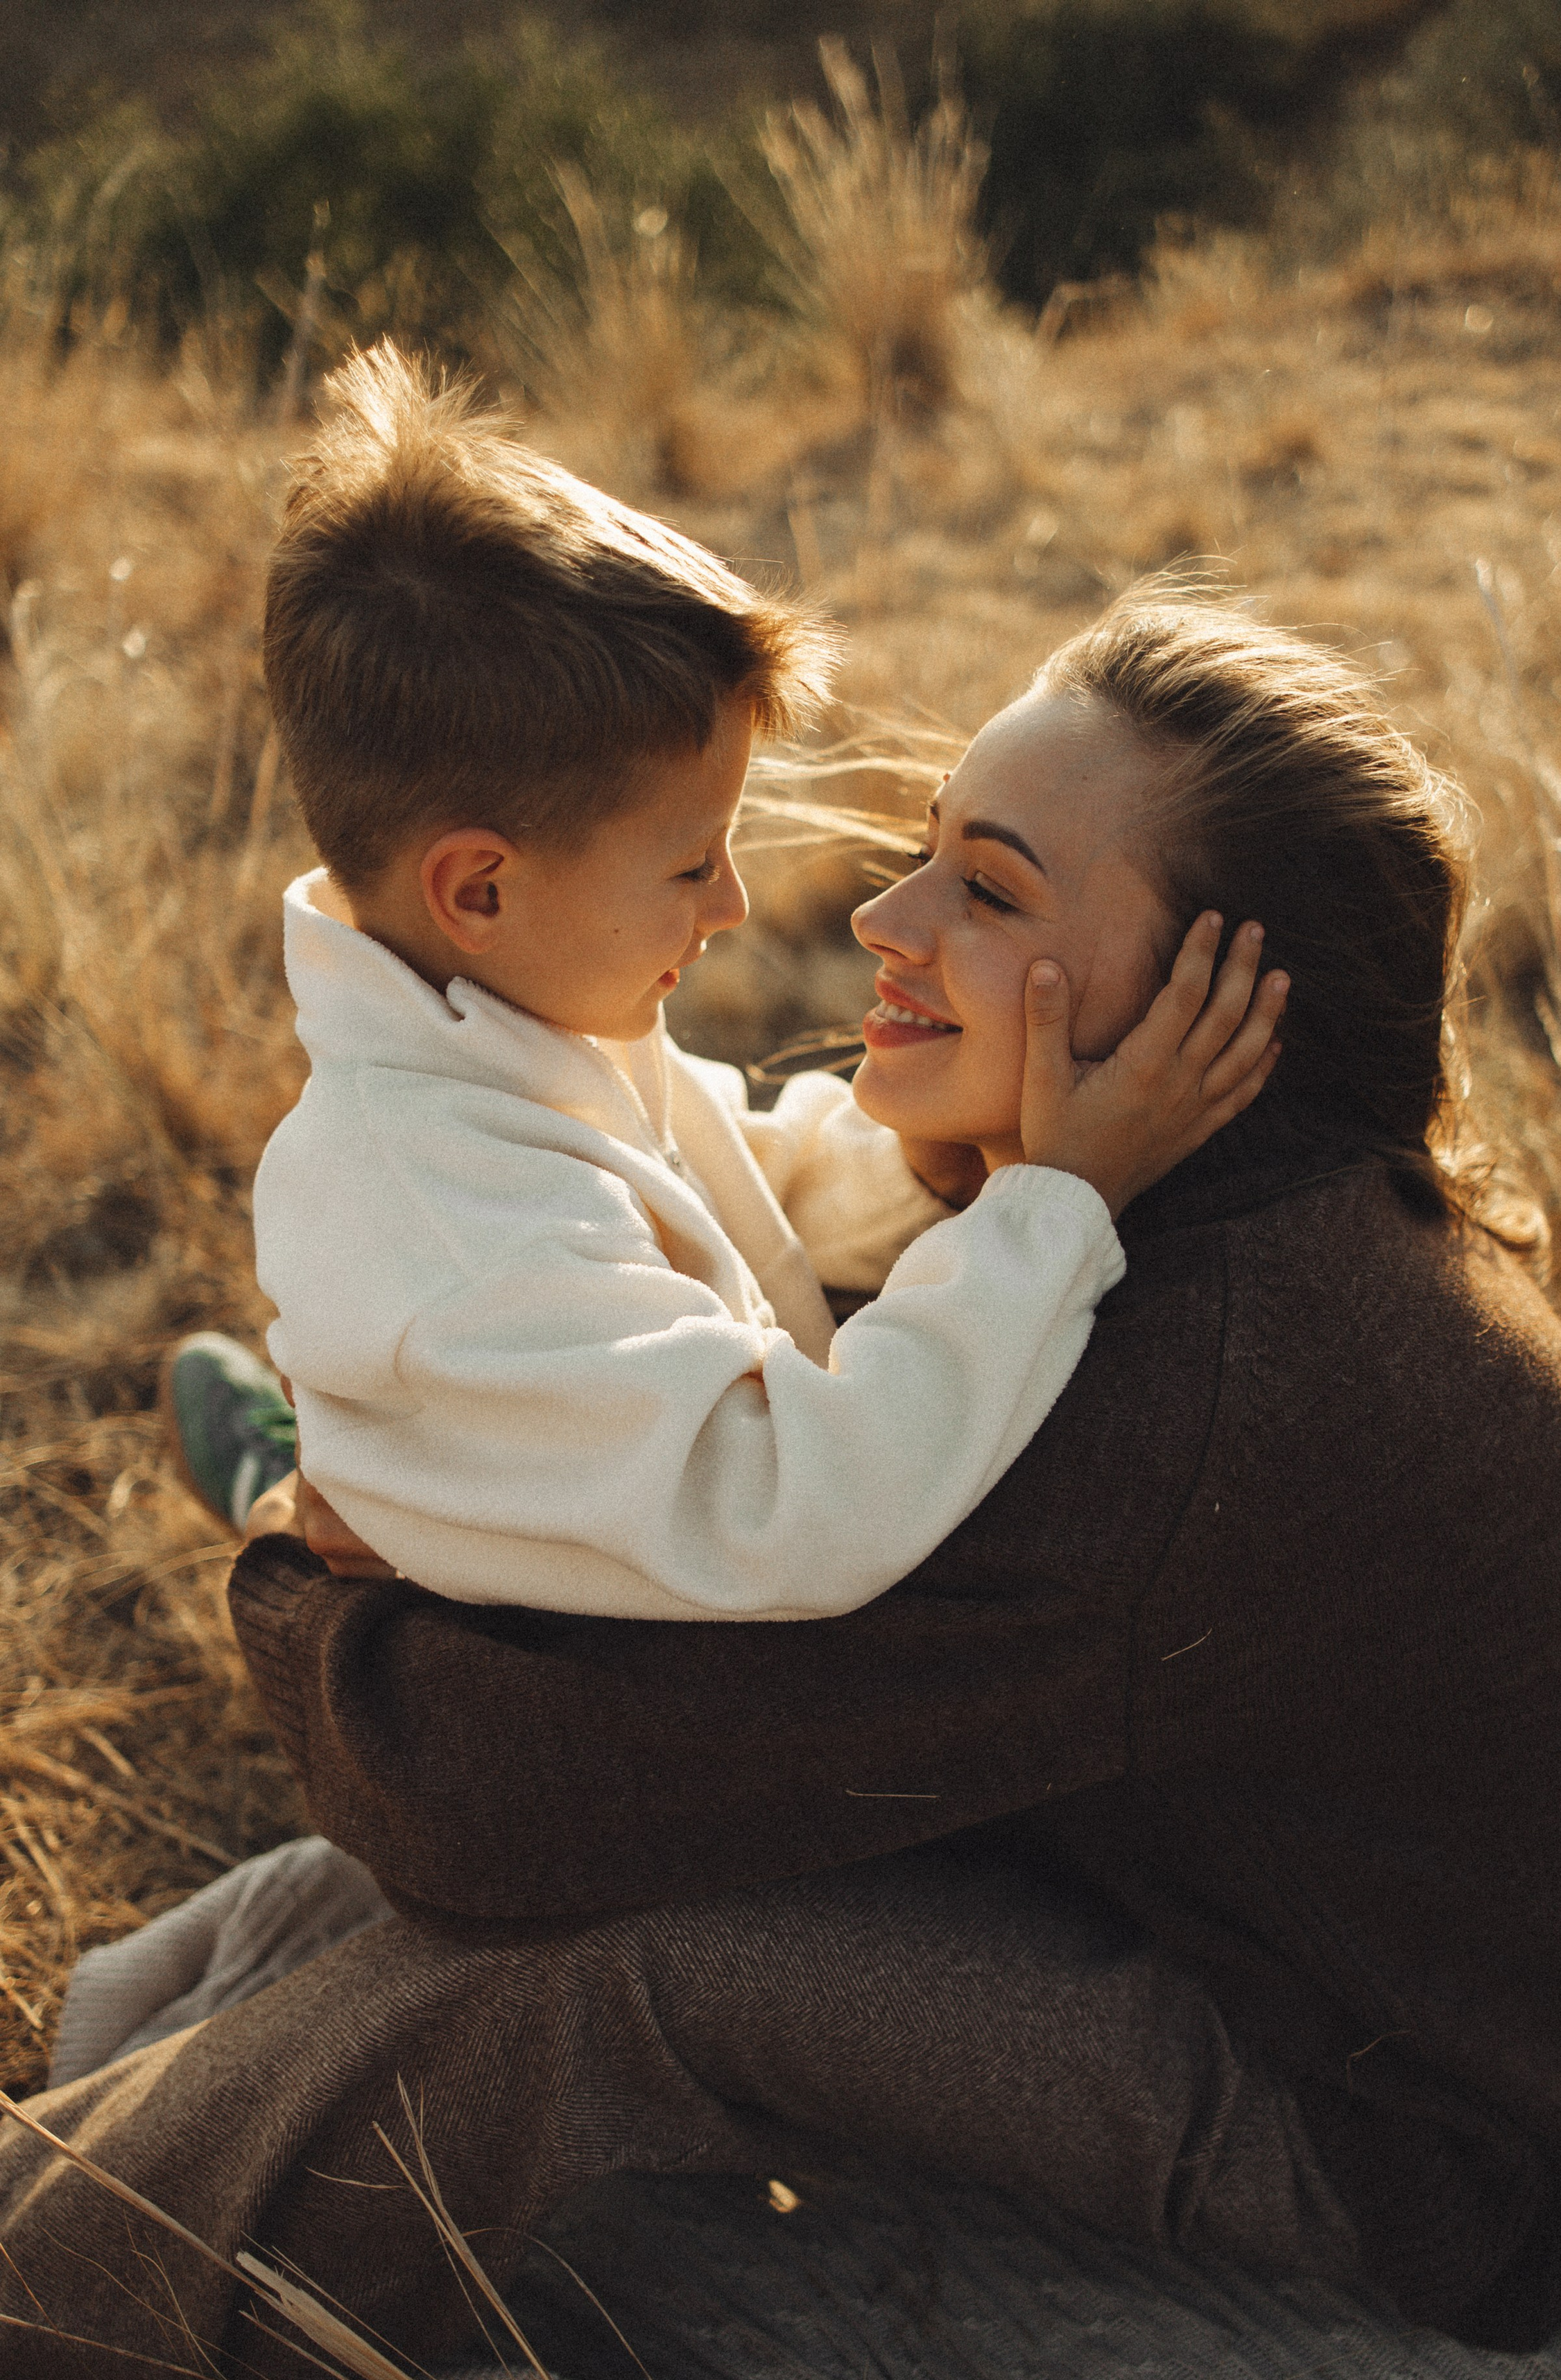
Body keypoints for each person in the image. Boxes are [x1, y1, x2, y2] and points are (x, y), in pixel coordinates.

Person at [0, 598, 1561, 2380]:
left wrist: (318, 1582)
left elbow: (508, 1812)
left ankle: (48, 2331)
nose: (881, 924)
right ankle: (121, 2138)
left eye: (991, 889)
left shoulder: (1208, 1397)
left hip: (1402, 2136)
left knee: (619, 1961)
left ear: (1226, 1011)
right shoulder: (1236, 1230)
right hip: (1229, 1902)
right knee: (645, 1764)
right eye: (920, 856)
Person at [243, 341, 1283, 1622]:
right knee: (336, 1544)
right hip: (575, 1751)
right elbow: (796, 1507)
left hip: (550, 1518)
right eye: (691, 865)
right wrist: (1055, 1209)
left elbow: (733, 1174)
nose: (734, 905)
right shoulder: (459, 1239)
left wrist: (940, 1166)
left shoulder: (515, 1017)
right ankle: (274, 1490)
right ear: (480, 891)